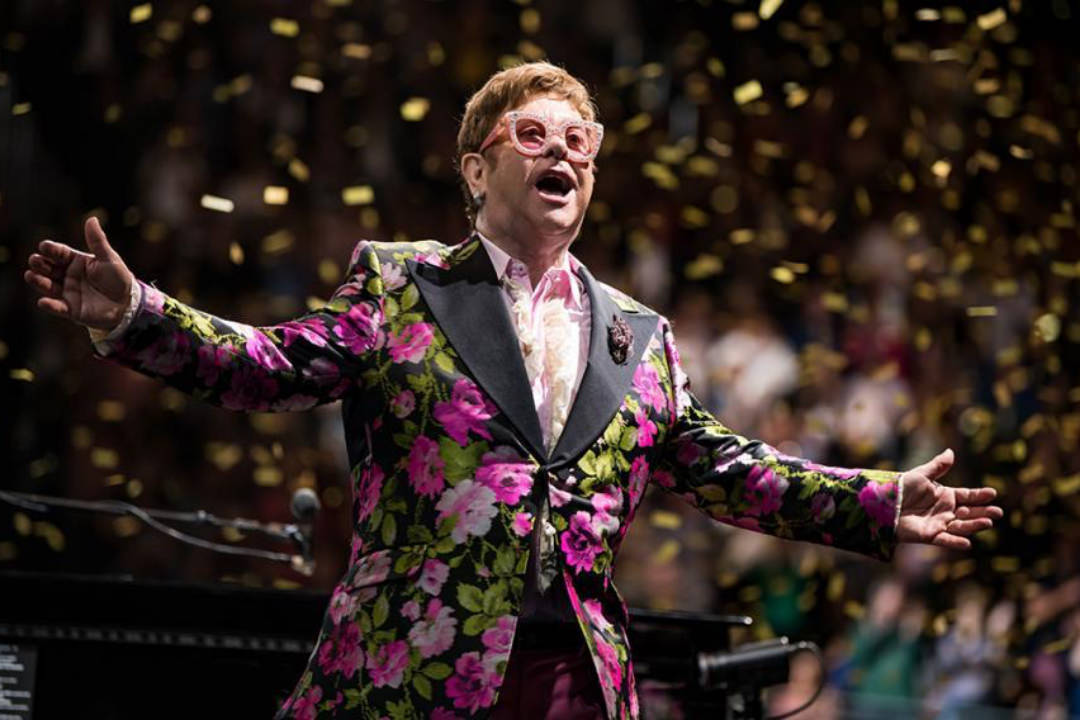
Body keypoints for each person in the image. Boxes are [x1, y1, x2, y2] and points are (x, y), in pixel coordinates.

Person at [23, 61, 1002, 720]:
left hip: (574, 678)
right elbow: (269, 367)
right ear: (476, 166)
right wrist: (139, 313)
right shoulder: (404, 285)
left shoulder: (640, 337)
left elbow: (729, 471)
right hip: (416, 663)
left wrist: (877, 500)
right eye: (533, 134)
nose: (564, 153)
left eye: (582, 140)